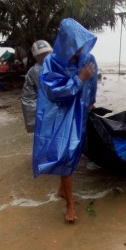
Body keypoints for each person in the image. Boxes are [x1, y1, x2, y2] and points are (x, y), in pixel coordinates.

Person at [33, 18, 98, 222]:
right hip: (60, 113)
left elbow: (93, 84)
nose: (79, 51)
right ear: (65, 43)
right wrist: (79, 79)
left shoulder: (88, 59)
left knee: (74, 152)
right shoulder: (51, 63)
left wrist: (91, 102)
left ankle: (63, 188)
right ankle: (70, 205)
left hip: (79, 112)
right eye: (75, 45)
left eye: (81, 45)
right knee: (66, 154)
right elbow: (52, 92)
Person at [20, 40, 52, 133]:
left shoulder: (59, 65)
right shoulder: (35, 71)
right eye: (41, 55)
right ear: (36, 57)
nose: (44, 57)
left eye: (46, 53)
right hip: (45, 110)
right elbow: (29, 98)